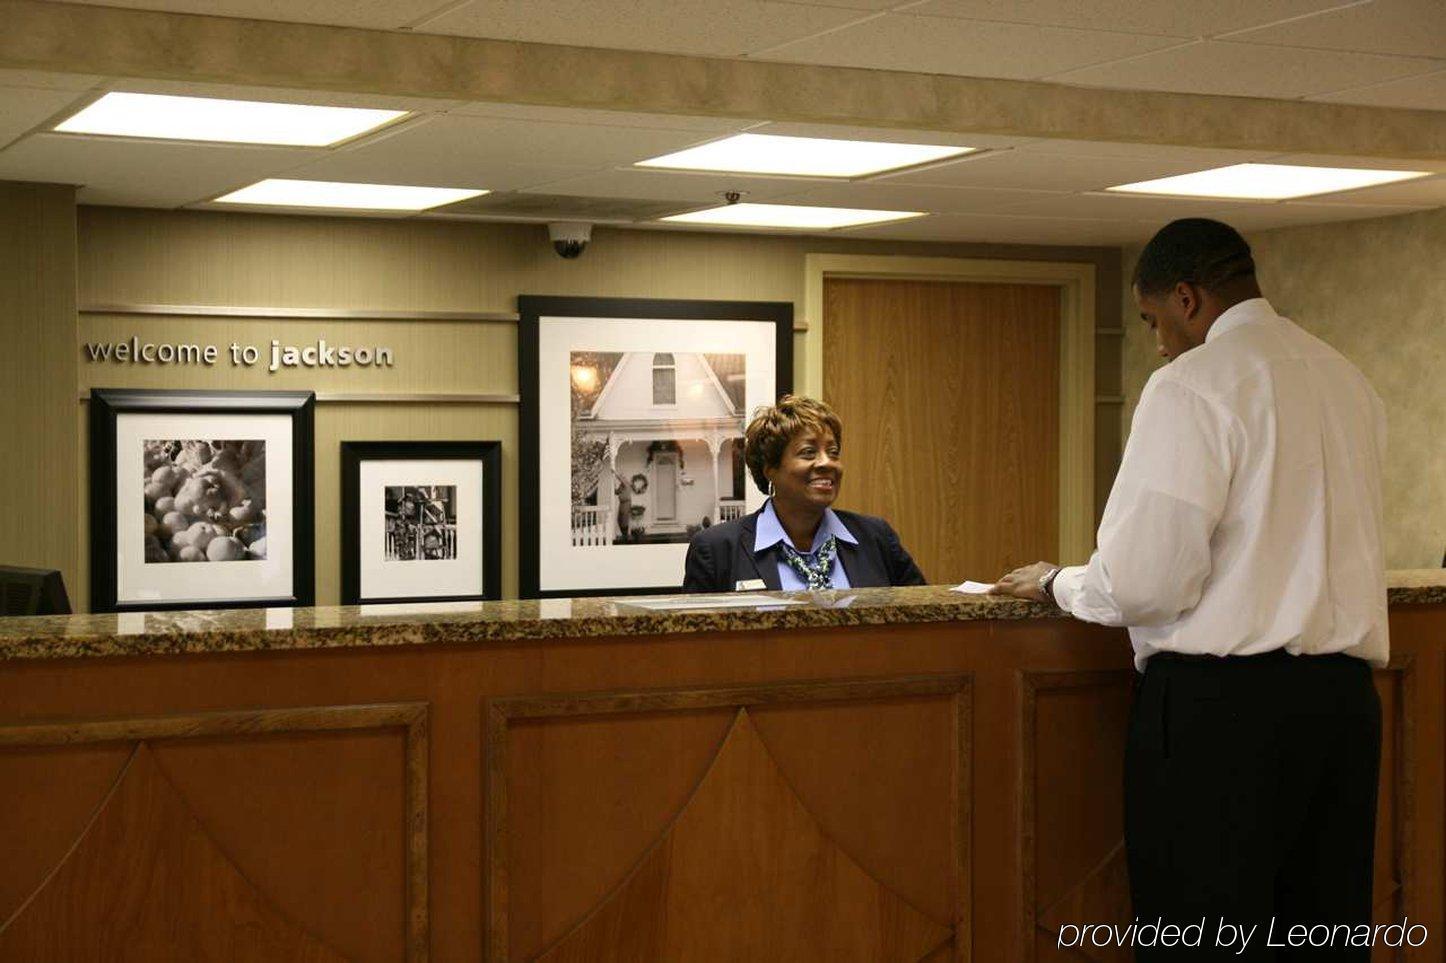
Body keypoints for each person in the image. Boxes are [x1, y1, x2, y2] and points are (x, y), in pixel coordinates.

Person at [992, 218, 1387, 960]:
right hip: (1344, 708)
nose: (1158, 341)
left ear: (1186, 297)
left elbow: (1146, 580)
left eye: (1153, 321)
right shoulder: (1346, 377)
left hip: (1223, 716)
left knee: (1202, 939)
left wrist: (1058, 582)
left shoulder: (1192, 384)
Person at [682, 394, 925, 592]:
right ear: (770, 469)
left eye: (833, 452)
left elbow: (926, 620)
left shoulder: (875, 537)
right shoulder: (716, 549)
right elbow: (697, 646)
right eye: (808, 452)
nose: (827, 463)